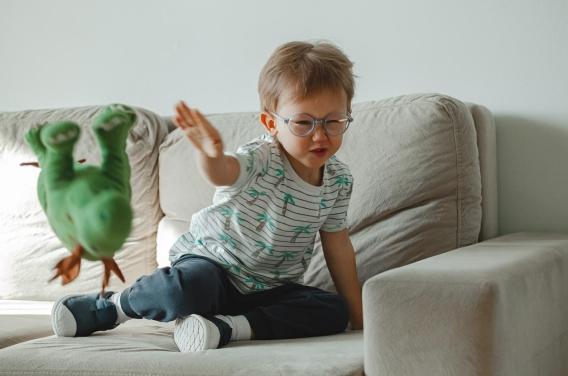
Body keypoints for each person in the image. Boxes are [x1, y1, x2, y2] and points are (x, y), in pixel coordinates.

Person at [51, 40, 363, 352]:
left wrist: (358, 316)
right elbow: (224, 172)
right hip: (213, 266)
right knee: (183, 291)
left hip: (270, 288)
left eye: (333, 121)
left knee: (332, 310)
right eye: (304, 123)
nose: (320, 135)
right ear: (271, 123)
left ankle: (226, 327)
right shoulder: (262, 158)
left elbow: (337, 246)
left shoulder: (339, 180)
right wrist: (210, 154)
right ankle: (112, 307)